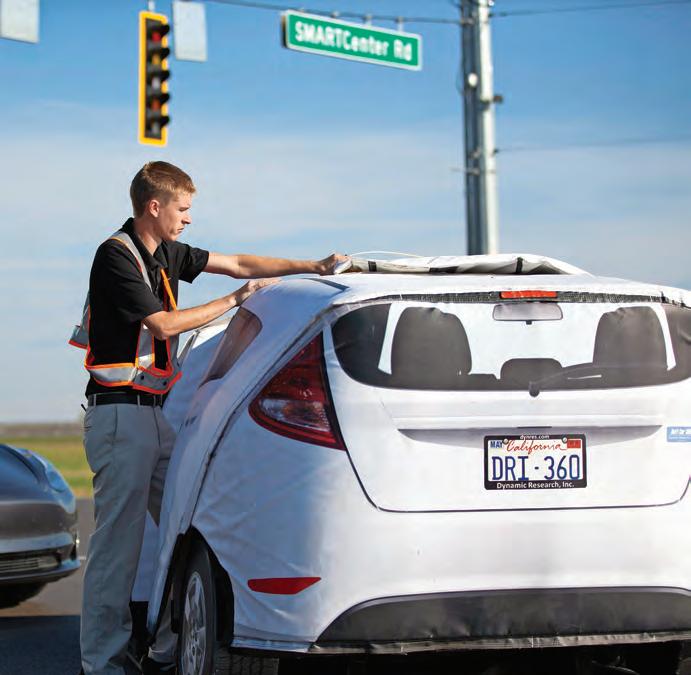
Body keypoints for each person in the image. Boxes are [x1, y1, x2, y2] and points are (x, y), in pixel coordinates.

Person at [74, 161, 347, 675]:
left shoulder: (166, 252)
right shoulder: (116, 255)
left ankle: (162, 644)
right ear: (154, 206)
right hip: (119, 418)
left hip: (152, 419)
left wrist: (312, 266)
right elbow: (163, 323)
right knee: (117, 549)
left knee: (187, 526)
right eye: (182, 209)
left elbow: (239, 263)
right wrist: (234, 302)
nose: (188, 218)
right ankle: (103, 663)